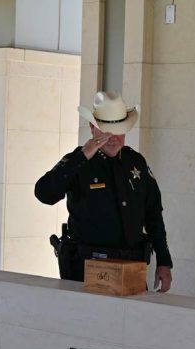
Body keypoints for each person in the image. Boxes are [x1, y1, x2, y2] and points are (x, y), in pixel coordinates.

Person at [34, 91, 172, 292]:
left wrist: (164, 261)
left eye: (119, 131)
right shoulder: (77, 162)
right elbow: (44, 194)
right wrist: (81, 158)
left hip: (131, 267)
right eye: (106, 130)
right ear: (92, 128)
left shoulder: (136, 162)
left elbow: (153, 215)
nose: (113, 138)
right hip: (87, 269)